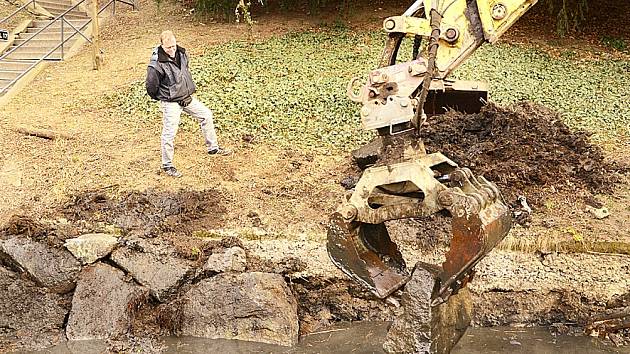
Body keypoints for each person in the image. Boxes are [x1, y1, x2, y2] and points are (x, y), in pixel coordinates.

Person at [146, 30, 230, 178]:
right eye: (168, 48)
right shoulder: (156, 64)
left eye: (173, 46)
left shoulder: (182, 53)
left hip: (186, 97)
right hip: (170, 102)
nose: (172, 50)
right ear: (161, 46)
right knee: (169, 133)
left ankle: (213, 148)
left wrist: (184, 91)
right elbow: (151, 86)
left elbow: (184, 73)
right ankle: (167, 165)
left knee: (206, 115)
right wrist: (165, 97)